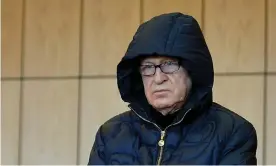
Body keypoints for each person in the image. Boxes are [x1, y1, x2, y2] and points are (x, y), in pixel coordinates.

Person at [88, 12, 257, 165]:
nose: (158, 78)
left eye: (169, 64)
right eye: (148, 67)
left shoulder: (233, 132)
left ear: (192, 71)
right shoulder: (110, 135)